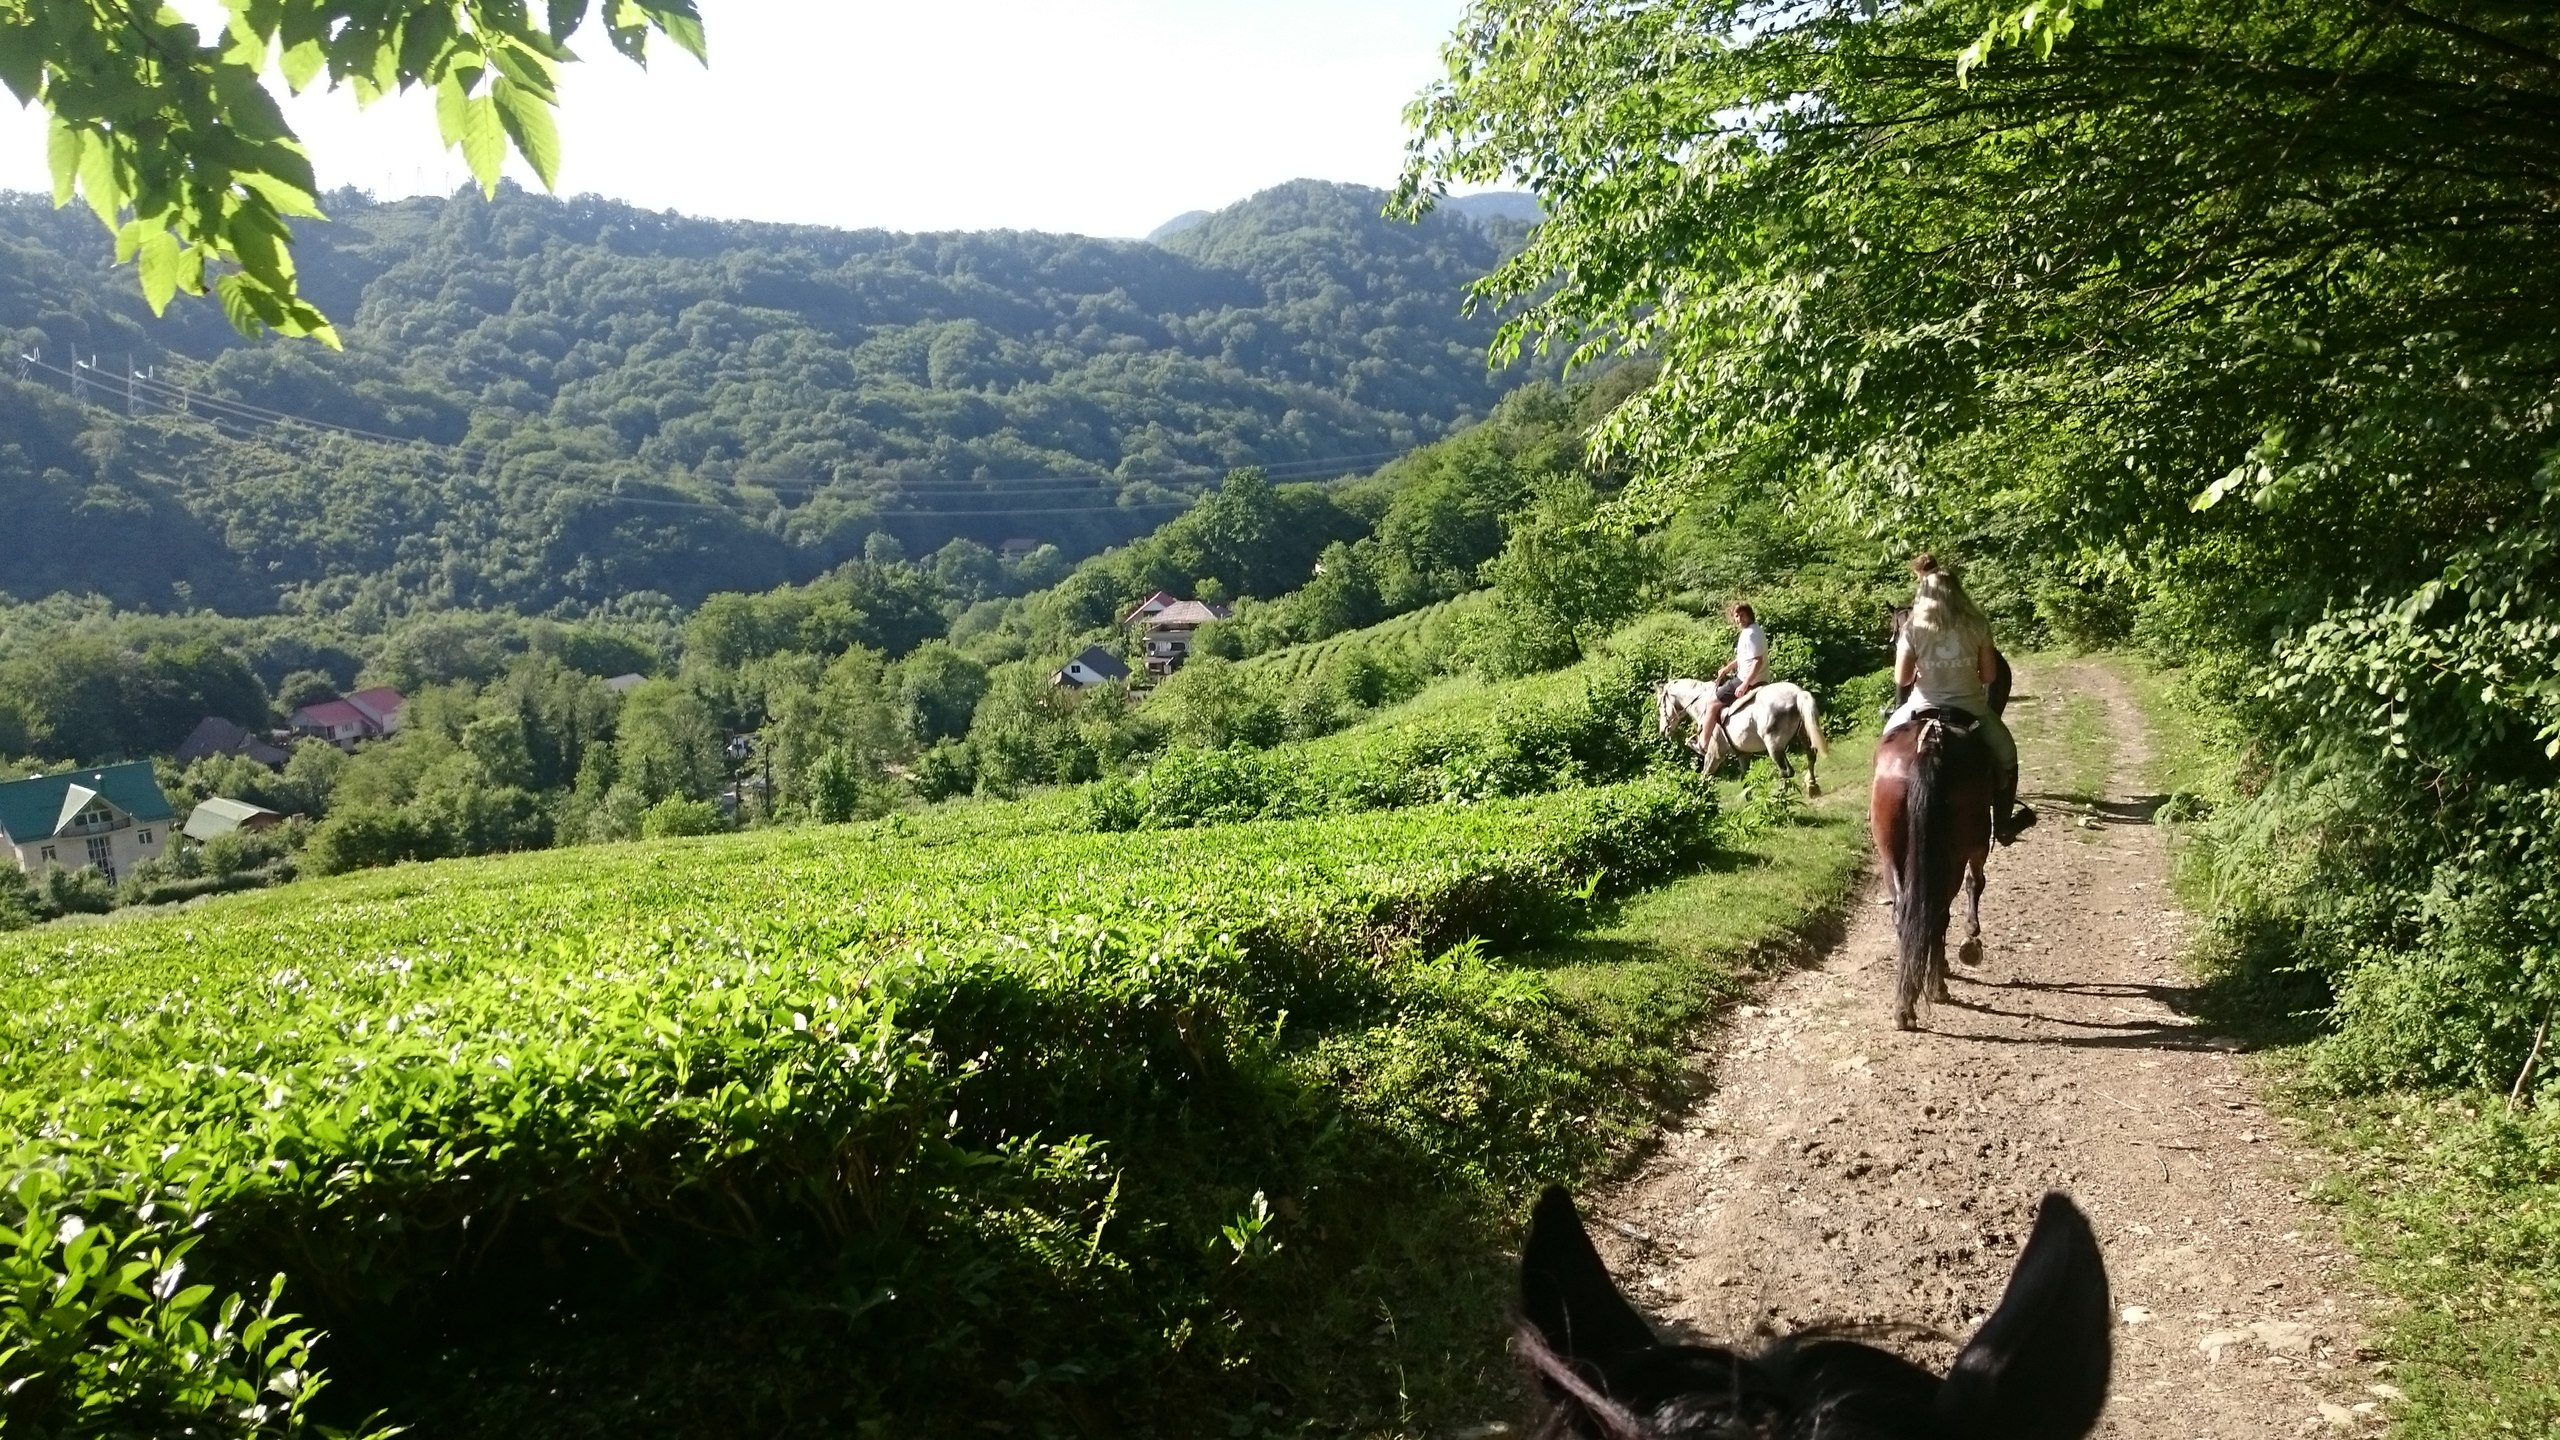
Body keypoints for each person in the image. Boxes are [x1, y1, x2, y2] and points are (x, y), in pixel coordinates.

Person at [1884, 555, 2035, 843]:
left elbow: (1901, 680)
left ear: (1923, 593)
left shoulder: (1913, 628)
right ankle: (2003, 823)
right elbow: (1989, 676)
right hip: (1970, 709)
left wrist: (1921, 671)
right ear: (1957, 592)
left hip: (1919, 707)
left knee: (1886, 746)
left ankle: (1879, 810)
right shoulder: (1977, 624)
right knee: (2007, 755)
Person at [1698, 602, 1767, 745]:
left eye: (1742, 614)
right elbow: (1744, 657)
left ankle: (1702, 744)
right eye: (1736, 616)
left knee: (1712, 703)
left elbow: (1757, 661)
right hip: (1757, 677)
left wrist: (1745, 684)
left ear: (1749, 615)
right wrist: (1726, 669)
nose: (1739, 619)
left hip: (1746, 679)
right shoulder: (1753, 630)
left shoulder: (1751, 634)